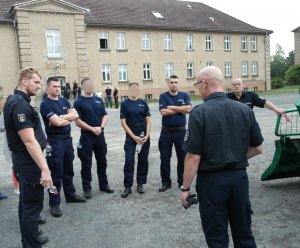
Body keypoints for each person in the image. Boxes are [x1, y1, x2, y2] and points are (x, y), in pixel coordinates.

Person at [180, 66, 264, 248]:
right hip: (239, 180)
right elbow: (258, 148)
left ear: (204, 83)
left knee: (217, 238)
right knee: (244, 235)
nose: (197, 89)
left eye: (196, 84)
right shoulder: (244, 110)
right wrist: (236, 157)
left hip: (212, 183)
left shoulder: (199, 113)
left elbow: (193, 157)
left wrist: (185, 188)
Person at [3, 67, 53, 247]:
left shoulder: (16, 100)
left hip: (25, 160)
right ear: (25, 81)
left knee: (26, 203)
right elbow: (29, 141)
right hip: (28, 161)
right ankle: (32, 244)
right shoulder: (20, 104)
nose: (39, 86)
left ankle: (30, 239)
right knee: (32, 206)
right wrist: (45, 169)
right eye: (36, 82)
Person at [40, 77, 86, 218]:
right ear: (48, 88)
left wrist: (60, 117)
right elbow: (57, 123)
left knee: (68, 170)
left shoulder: (64, 101)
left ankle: (70, 195)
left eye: (59, 86)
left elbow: (76, 115)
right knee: (56, 174)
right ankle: (54, 203)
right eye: (54, 86)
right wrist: (65, 119)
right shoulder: (45, 104)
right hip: (55, 142)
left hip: (67, 141)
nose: (57, 89)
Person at [74, 78, 114, 199]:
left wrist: (101, 128)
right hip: (87, 136)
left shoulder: (98, 99)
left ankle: (104, 185)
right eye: (87, 84)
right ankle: (87, 189)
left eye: (91, 84)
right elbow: (77, 121)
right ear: (82, 87)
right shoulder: (78, 102)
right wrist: (92, 129)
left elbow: (105, 115)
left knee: (102, 161)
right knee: (86, 163)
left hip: (100, 135)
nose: (90, 86)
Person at [158, 75, 192, 192]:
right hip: (166, 132)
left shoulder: (184, 95)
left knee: (182, 158)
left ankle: (181, 181)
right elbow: (163, 112)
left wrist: (172, 107)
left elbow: (188, 109)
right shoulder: (163, 96)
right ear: (168, 83)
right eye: (171, 82)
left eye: (176, 82)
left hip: (181, 131)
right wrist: (180, 109)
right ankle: (165, 182)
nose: (174, 84)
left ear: (178, 83)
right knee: (165, 158)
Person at [120, 82, 151, 198]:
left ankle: (140, 184)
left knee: (143, 161)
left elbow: (148, 120)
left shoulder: (143, 103)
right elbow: (123, 123)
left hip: (143, 137)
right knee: (129, 161)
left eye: (136, 89)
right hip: (131, 138)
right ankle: (127, 186)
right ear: (129, 90)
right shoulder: (124, 104)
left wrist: (147, 135)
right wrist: (133, 137)